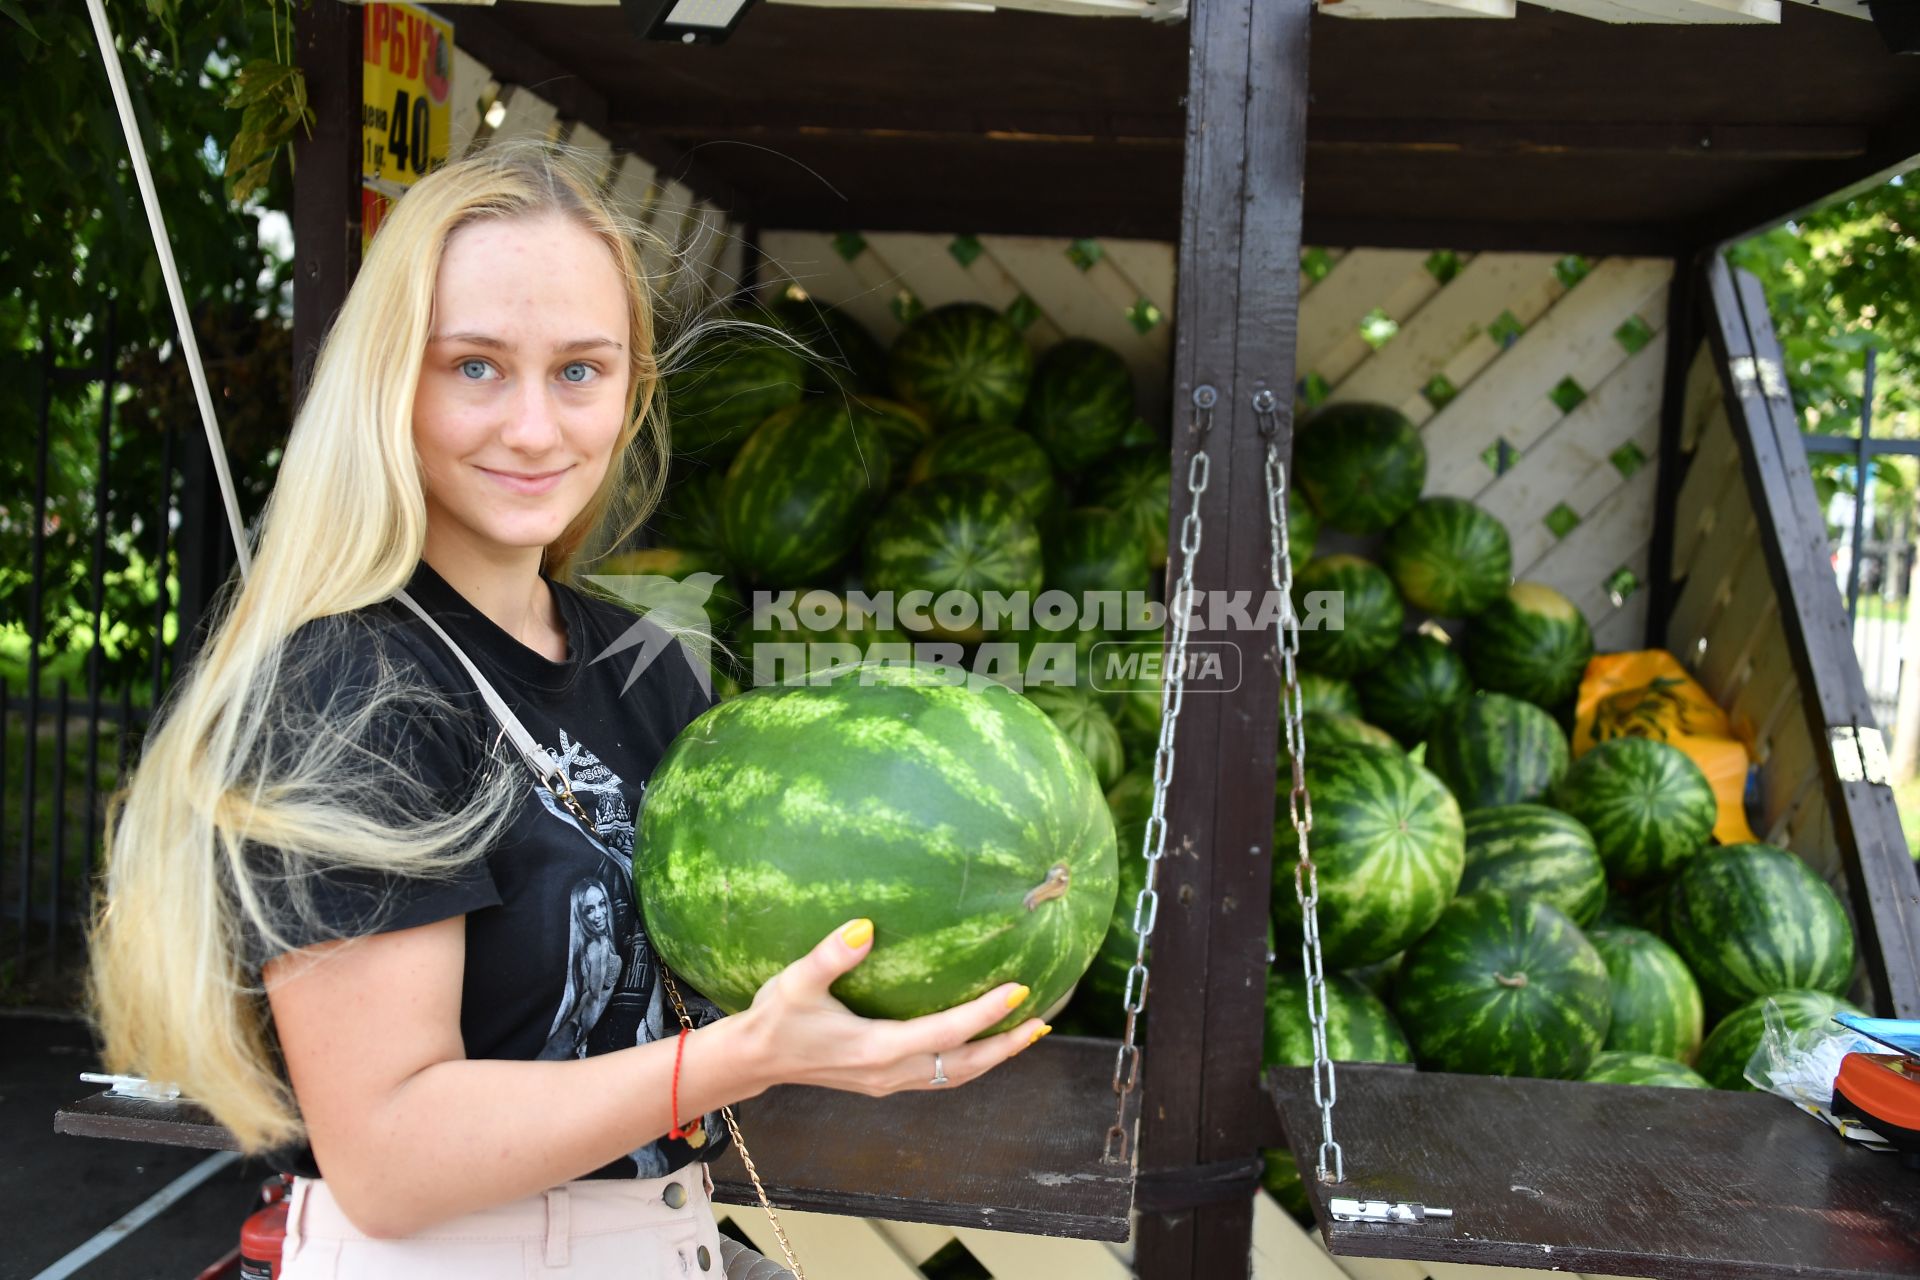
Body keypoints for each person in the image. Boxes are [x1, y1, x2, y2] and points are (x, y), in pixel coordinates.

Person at [86, 143, 1048, 1278]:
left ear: (633, 387)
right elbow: (389, 1158)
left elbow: (692, 1006)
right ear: (391, 379)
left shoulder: (645, 664)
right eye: (477, 367)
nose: (537, 428)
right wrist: (742, 1056)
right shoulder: (350, 687)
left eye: (581, 370)